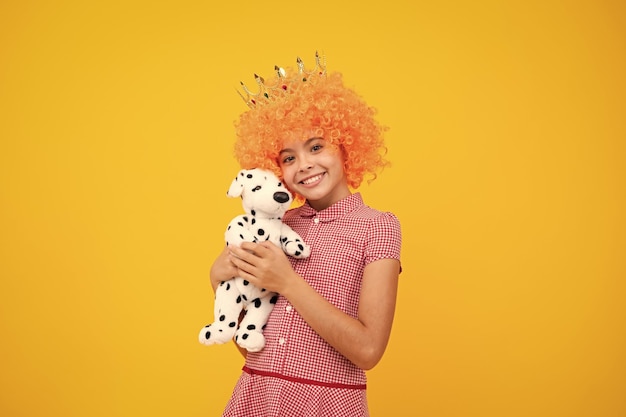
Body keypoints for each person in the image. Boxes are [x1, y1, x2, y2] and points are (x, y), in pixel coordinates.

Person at [208, 52, 402, 417]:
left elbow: (369, 350)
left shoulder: (378, 227)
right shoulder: (272, 227)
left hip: (325, 405)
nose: (305, 165)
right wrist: (217, 280)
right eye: (288, 157)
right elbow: (251, 346)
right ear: (275, 168)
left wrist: (287, 281)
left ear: (345, 146)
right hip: (256, 395)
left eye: (316, 146)